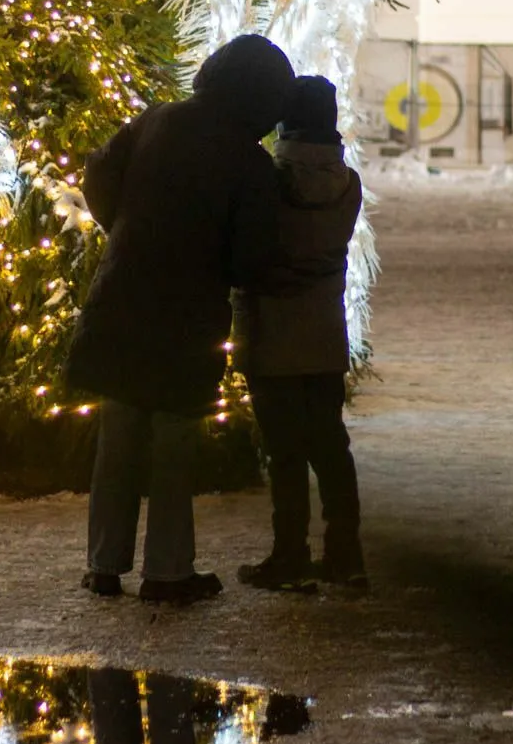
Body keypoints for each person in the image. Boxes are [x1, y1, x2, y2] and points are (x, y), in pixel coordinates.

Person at [67, 34, 295, 606]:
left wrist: (125, 229)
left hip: (122, 295)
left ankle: (104, 564)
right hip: (187, 315)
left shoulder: (158, 120)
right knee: (173, 442)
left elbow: (98, 175)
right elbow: (250, 259)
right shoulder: (249, 161)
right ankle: (167, 571)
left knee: (118, 434)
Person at [231, 75, 367, 594]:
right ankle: (346, 555)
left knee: (283, 450)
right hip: (325, 331)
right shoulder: (348, 184)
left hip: (272, 331)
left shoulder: (265, 180)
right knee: (331, 445)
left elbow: (250, 249)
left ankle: (290, 554)